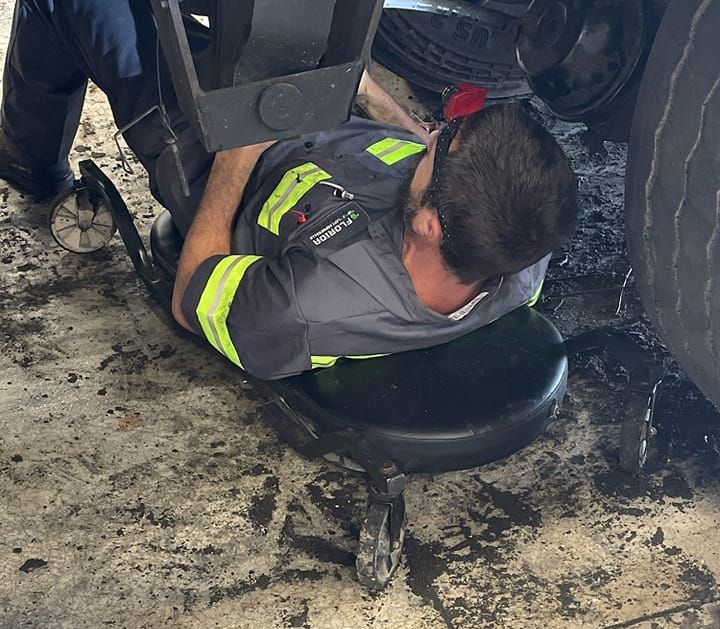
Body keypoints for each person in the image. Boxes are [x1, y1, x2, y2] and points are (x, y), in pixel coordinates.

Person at [0, 1, 578, 380]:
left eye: (440, 143)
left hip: (216, 155)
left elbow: (191, 299)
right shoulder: (521, 244)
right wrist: (367, 92)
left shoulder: (307, 306)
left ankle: (29, 165)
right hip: (308, 111)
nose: (432, 134)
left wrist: (238, 147)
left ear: (430, 224)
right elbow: (430, 153)